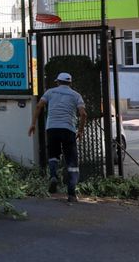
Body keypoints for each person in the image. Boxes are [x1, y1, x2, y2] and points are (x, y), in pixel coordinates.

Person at [28, 72, 87, 203]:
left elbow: (39, 106)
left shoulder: (50, 92)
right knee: (72, 162)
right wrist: (80, 131)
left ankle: (53, 175)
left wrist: (33, 124)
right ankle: (71, 194)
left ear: (58, 82)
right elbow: (83, 114)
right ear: (70, 83)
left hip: (52, 127)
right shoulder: (76, 95)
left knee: (53, 154)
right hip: (68, 129)